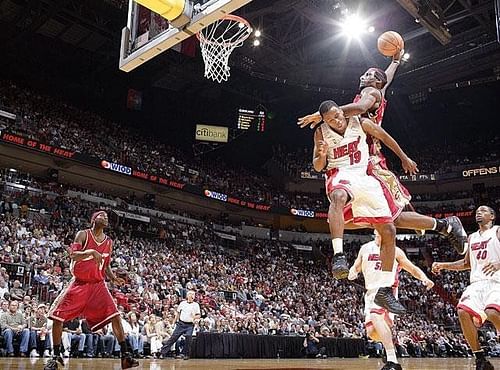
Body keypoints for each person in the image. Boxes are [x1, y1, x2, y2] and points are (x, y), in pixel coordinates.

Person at [297, 55, 467, 255]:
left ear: (376, 82)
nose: (363, 75)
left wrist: (324, 115)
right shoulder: (377, 90)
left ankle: (443, 225)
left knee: (385, 218)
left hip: (369, 162)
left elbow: (361, 108)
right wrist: (395, 61)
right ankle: (442, 225)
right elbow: (385, 78)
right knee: (366, 219)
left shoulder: (369, 93)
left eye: (369, 74)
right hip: (363, 160)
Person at [313, 99, 416, 314]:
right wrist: (321, 156)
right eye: (331, 119)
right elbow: (318, 165)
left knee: (389, 229)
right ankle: (339, 256)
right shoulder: (320, 132)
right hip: (340, 174)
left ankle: (385, 289)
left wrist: (404, 158)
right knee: (338, 196)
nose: (338, 121)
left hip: (365, 175)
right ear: (324, 120)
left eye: (338, 115)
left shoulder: (361, 122)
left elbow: (386, 138)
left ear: (342, 111)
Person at [44, 210, 138, 369]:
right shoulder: (83, 234)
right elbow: (73, 255)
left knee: (115, 315)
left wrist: (113, 278)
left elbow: (106, 264)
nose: (106, 218)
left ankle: (125, 356)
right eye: (102, 216)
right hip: (79, 283)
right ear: (94, 219)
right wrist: (90, 252)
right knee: (57, 317)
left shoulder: (109, 242)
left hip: (98, 284)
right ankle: (55, 355)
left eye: (107, 217)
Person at [349, 231, 434, 370]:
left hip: (386, 291)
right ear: (376, 232)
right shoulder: (365, 248)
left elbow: (412, 268)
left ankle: (392, 360)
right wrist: (353, 272)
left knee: (376, 316)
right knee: (372, 333)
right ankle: (388, 343)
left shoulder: (396, 251)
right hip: (370, 292)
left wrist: (424, 278)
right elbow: (356, 266)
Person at [432, 205, 500, 370]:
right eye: (477, 211)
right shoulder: (471, 238)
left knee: (492, 312)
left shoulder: (497, 231)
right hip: (476, 283)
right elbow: (465, 263)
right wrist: (443, 265)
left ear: (492, 216)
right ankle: (480, 358)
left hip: (496, 281)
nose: (479, 212)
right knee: (462, 311)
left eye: (483, 211)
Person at [160, 290, 201, 360]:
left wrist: (194, 317)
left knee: (188, 337)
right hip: (181, 324)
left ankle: (186, 354)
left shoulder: (196, 305)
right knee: (173, 338)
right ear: (187, 295)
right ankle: (162, 353)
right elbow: (178, 313)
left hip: (190, 325)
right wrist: (174, 322)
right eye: (190, 294)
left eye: (193, 294)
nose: (192, 296)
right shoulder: (182, 303)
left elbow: (199, 315)